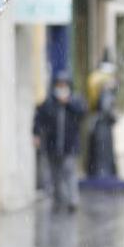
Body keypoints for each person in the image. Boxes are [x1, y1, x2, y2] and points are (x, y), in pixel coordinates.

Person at [33, 72, 87, 212]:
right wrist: (36, 134)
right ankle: (58, 201)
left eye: (64, 85)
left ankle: (72, 201)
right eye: (59, 85)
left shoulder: (74, 101)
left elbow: (82, 112)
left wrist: (68, 103)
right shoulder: (49, 103)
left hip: (69, 147)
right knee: (55, 176)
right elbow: (38, 119)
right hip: (52, 147)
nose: (61, 88)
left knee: (69, 173)